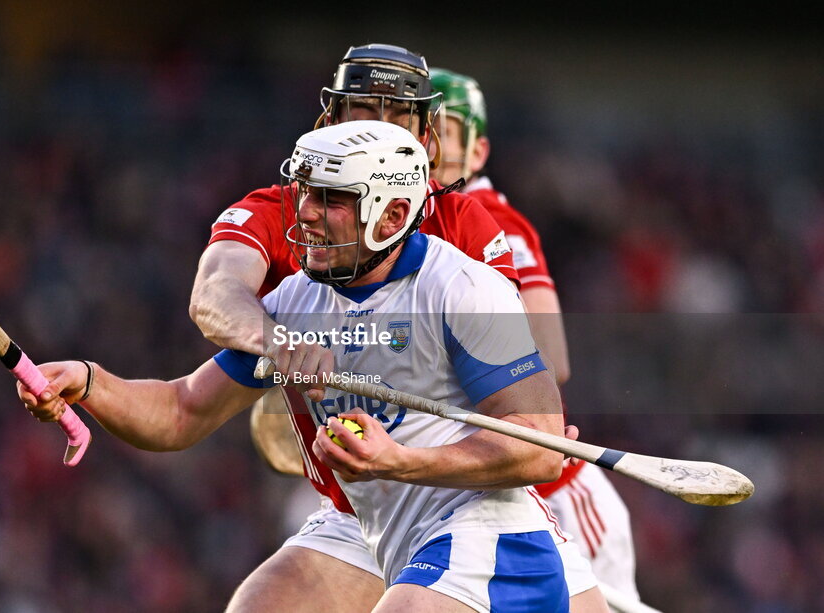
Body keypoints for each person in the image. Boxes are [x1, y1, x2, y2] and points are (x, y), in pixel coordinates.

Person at [21, 121, 606, 612]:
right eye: (304, 193)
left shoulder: (465, 287)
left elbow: (542, 447)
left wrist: (401, 462)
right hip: (380, 534)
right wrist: (90, 382)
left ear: (392, 212)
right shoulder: (297, 301)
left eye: (331, 199)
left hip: (491, 538)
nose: (305, 214)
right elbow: (180, 412)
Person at [188, 44, 608, 611]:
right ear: (331, 119)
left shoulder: (464, 226)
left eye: (399, 114)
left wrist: (527, 422)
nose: (381, 128)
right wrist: (282, 344)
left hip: (459, 491)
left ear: (424, 134)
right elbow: (214, 299)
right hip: (360, 505)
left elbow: (536, 369)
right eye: (364, 109)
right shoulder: (290, 210)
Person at [430, 67, 641, 603]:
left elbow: (550, 358)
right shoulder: (414, 228)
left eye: (442, 129)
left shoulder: (491, 220)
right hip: (473, 501)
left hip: (557, 497)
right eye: (415, 125)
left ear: (478, 153)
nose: (423, 142)